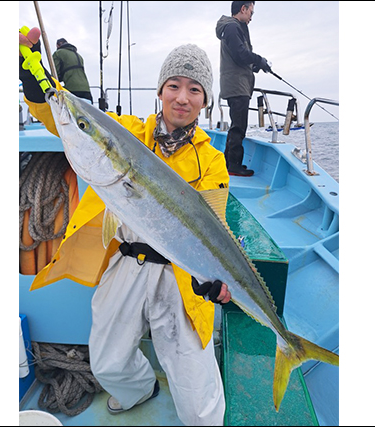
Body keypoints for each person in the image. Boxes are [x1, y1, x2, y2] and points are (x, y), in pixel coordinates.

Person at [20, 27, 232, 426]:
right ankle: (140, 388)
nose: (182, 98)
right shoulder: (130, 132)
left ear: (205, 100)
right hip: (127, 260)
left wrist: (215, 282)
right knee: (107, 363)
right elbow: (62, 119)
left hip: (182, 273)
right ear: (160, 90)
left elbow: (212, 227)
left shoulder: (212, 161)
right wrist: (34, 79)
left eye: (194, 89)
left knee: (197, 400)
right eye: (174, 85)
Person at [216, 1, 271, 177]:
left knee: (237, 125)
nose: (251, 18)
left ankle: (230, 163)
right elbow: (241, 54)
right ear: (243, 9)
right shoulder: (232, 28)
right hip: (237, 86)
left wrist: (254, 65)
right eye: (251, 13)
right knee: (238, 127)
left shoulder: (234, 28)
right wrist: (259, 60)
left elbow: (239, 56)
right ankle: (233, 166)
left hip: (238, 84)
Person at [52, 37, 93, 103]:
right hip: (86, 91)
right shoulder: (79, 56)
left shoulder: (58, 53)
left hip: (72, 90)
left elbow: (55, 73)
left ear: (58, 45)